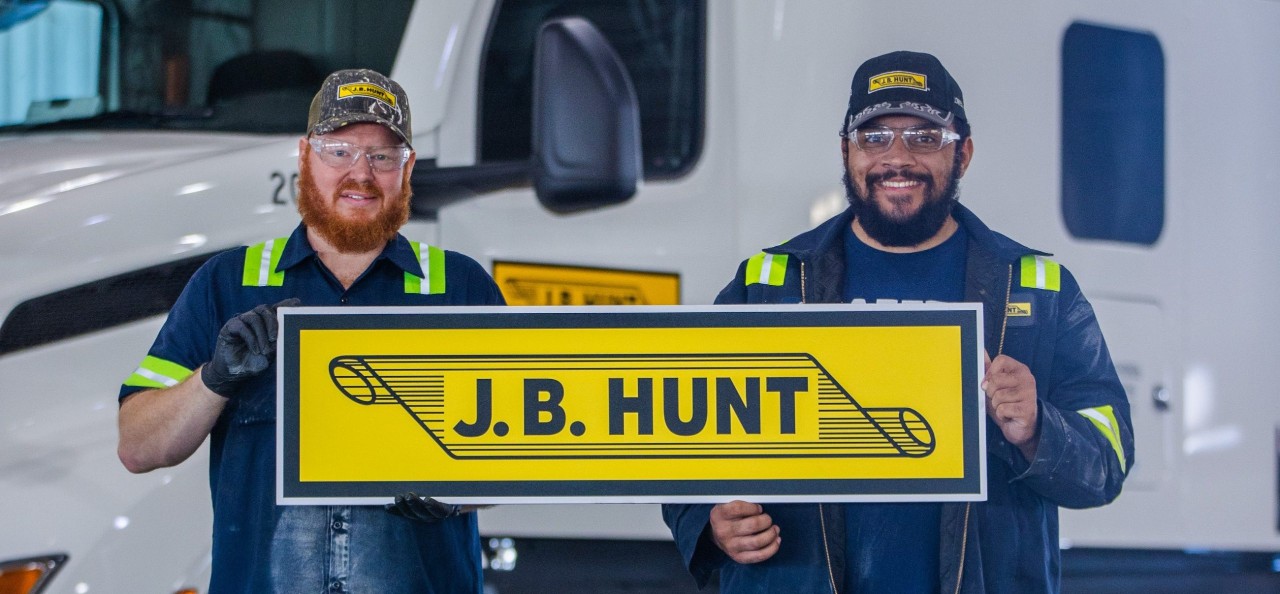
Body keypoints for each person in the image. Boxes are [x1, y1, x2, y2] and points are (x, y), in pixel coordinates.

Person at [662, 51, 1134, 594]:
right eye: (875, 137)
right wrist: (710, 523)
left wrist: (1036, 428)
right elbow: (679, 436)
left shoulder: (1035, 289)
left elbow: (1109, 456)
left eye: (926, 138)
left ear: (965, 154)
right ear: (847, 151)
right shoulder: (768, 284)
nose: (898, 158)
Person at [117, 69, 504, 594]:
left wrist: (455, 492)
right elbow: (140, 447)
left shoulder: (460, 287)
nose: (361, 174)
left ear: (406, 169)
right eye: (339, 151)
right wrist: (215, 379)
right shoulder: (228, 282)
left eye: (382, 156)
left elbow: (516, 452)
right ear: (305, 158)